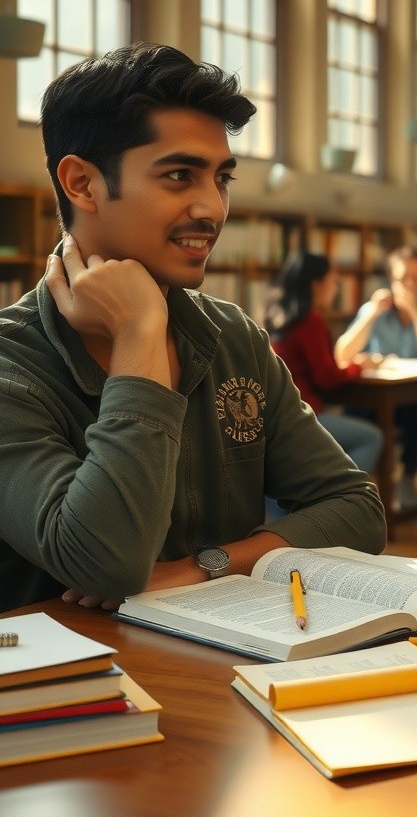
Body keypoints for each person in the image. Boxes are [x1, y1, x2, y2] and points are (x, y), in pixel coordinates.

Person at [0, 43, 386, 614]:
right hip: (72, 693)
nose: (213, 208)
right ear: (82, 183)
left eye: (221, 178)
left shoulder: (234, 338)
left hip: (231, 677)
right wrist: (138, 334)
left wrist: (209, 566)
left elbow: (357, 509)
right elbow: (108, 564)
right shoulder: (12, 367)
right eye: (180, 175)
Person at [335, 246, 417, 501]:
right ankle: (353, 487)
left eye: (416, 277)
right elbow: (342, 354)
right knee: (356, 411)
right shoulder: (378, 308)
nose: (409, 285)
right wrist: (370, 314)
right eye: (402, 279)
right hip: (382, 394)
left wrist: (414, 311)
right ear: (391, 280)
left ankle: (408, 476)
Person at [264, 250, 384, 476]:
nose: (336, 288)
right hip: (303, 413)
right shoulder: (310, 320)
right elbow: (327, 377)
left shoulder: (274, 314)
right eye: (332, 281)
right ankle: (341, 497)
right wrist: (359, 366)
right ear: (315, 284)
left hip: (277, 414)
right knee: (371, 437)